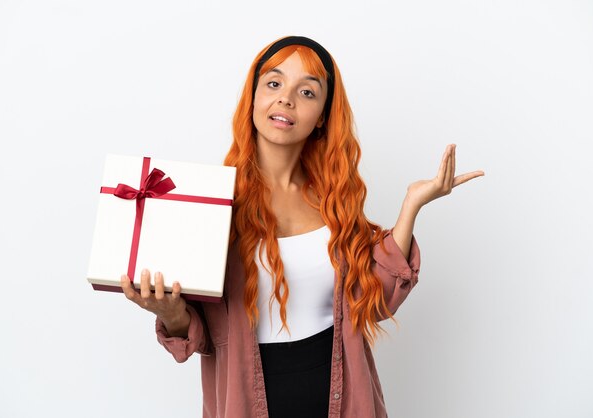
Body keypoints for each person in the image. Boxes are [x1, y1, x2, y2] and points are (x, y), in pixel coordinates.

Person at [119, 36, 484, 418]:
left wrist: (411, 206)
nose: (286, 99)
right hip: (247, 402)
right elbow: (203, 333)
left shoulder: (335, 201)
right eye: (274, 83)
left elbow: (373, 303)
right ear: (254, 98)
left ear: (323, 114)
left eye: (307, 91)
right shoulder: (213, 204)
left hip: (343, 401)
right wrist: (171, 313)